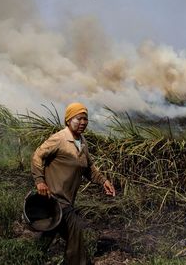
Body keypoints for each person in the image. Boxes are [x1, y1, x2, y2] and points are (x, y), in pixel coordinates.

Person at [31, 102, 116, 265]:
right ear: (69, 119)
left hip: (66, 199)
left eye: (86, 119)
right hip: (54, 197)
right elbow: (37, 156)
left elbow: (89, 167)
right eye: (79, 118)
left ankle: (28, 257)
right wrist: (40, 181)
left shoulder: (82, 141)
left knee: (50, 230)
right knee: (75, 230)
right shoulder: (59, 138)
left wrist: (103, 181)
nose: (83, 122)